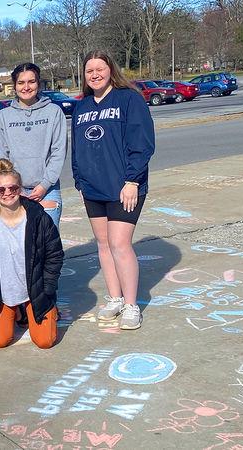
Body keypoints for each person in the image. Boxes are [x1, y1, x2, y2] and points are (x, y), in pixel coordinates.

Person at [72, 50, 155, 330]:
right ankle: (115, 298)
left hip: (124, 188)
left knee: (120, 244)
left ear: (111, 70)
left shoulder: (128, 98)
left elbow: (142, 143)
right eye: (89, 70)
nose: (95, 74)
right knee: (104, 245)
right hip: (93, 188)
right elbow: (78, 148)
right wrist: (79, 180)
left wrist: (132, 180)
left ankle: (132, 305)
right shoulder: (82, 106)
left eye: (100, 68)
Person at [0, 159, 64, 349]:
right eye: (0, 190)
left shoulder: (38, 218)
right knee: (0, 341)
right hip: (3, 292)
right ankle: (18, 312)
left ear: (20, 188)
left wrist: (47, 288)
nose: (7, 193)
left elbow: (54, 255)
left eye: (12, 188)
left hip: (35, 290)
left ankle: (47, 309)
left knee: (44, 341)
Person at [0, 63, 67, 228]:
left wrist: (44, 185)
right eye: (21, 82)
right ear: (14, 86)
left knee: (48, 248)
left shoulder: (53, 112)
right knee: (20, 247)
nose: (26, 87)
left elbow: (58, 152)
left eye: (31, 82)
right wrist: (14, 187)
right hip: (14, 191)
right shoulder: (2, 117)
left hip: (47, 191)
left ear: (38, 84)